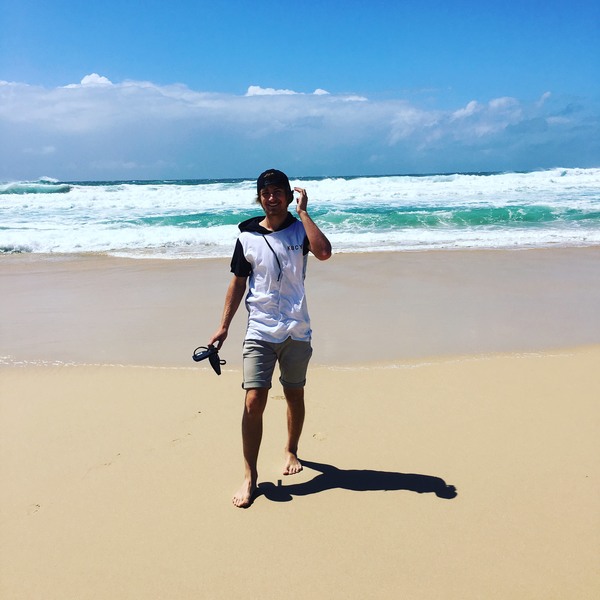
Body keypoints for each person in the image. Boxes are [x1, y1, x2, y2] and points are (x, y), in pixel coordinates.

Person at [208, 168, 332, 508]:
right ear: (259, 198)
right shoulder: (247, 237)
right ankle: (250, 476)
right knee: (253, 401)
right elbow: (238, 282)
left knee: (294, 393)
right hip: (259, 329)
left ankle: (291, 449)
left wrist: (304, 214)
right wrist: (223, 326)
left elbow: (324, 252)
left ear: (289, 196)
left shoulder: (300, 230)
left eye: (279, 192)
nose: (272, 198)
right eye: (266, 193)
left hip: (296, 328)